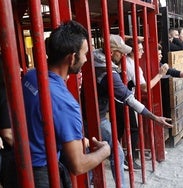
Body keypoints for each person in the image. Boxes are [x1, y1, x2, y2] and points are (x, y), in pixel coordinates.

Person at [22, 20, 111, 187]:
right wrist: (105, 151)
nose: (85, 59)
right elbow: (78, 165)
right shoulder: (65, 102)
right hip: (42, 175)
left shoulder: (30, 76)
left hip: (18, 165)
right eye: (84, 54)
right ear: (71, 58)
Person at [93, 34, 172, 187]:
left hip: (96, 112)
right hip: (98, 116)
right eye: (120, 51)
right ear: (110, 52)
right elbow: (130, 98)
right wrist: (155, 117)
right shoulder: (108, 72)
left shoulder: (93, 58)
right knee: (117, 151)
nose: (123, 54)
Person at [115, 38, 168, 170]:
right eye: (140, 49)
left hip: (118, 99)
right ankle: (127, 159)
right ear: (131, 51)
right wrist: (160, 75)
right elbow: (145, 87)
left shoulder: (127, 62)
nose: (143, 51)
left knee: (120, 130)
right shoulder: (132, 66)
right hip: (124, 100)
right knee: (132, 129)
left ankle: (119, 157)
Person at [0, 51, 19, 188]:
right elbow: (7, 134)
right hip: (11, 156)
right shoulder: (5, 93)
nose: (20, 69)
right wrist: (27, 150)